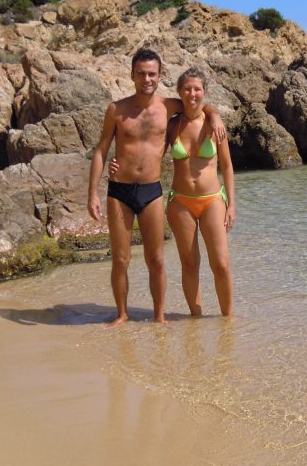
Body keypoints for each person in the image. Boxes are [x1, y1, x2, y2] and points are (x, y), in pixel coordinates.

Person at [87, 49, 225, 327]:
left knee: (157, 260)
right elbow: (102, 149)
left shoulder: (168, 107)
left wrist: (215, 114)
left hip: (151, 190)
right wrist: (93, 192)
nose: (146, 79)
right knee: (121, 259)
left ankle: (160, 316)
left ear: (160, 76)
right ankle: (122, 314)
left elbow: (197, 103)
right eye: (141, 73)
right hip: (119, 190)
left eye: (152, 74)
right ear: (132, 75)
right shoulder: (117, 109)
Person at [165, 67, 236, 317]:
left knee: (222, 265)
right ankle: (195, 319)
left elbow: (227, 166)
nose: (192, 93)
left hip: (213, 201)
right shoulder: (172, 126)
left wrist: (232, 205)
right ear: (179, 92)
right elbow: (147, 152)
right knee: (189, 264)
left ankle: (228, 321)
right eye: (187, 88)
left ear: (204, 91)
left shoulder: (215, 125)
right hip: (180, 202)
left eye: (197, 89)